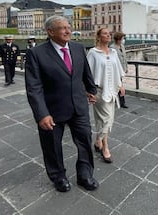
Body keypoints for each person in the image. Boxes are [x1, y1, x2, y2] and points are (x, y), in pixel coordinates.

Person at [25, 15, 99, 193]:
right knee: (52, 146)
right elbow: (34, 87)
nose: (68, 31)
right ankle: (58, 176)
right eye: (63, 28)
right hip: (52, 110)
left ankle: (84, 174)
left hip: (79, 106)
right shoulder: (36, 53)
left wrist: (91, 89)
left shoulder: (78, 48)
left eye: (69, 27)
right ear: (50, 32)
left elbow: (85, 72)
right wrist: (42, 113)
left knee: (84, 141)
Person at [87, 28, 125, 163]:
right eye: (105, 33)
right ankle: (105, 148)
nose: (108, 35)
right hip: (99, 92)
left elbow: (118, 70)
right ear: (98, 36)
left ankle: (98, 141)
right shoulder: (93, 53)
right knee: (106, 119)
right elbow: (87, 73)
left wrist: (121, 85)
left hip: (112, 90)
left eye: (109, 33)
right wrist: (88, 91)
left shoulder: (114, 52)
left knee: (107, 118)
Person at [111, 31, 128, 108]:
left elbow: (125, 58)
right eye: (122, 38)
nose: (123, 40)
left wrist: (126, 68)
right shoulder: (112, 48)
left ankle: (119, 101)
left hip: (122, 70)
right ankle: (121, 102)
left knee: (119, 85)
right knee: (119, 85)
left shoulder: (122, 46)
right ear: (118, 39)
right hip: (116, 71)